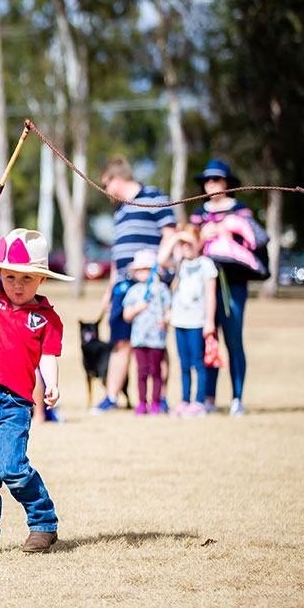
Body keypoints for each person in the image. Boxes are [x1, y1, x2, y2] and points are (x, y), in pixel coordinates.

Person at [0, 203, 71, 554]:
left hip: (15, 403)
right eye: (10, 277)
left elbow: (48, 355)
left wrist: (51, 384)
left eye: (26, 278)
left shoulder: (47, 318)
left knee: (13, 469)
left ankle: (43, 524)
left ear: (42, 279)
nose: (17, 285)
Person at [92, 155, 176, 414]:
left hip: (150, 285)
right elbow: (118, 255)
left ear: (116, 179)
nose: (106, 190)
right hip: (123, 285)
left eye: (106, 184)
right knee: (120, 341)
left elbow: (170, 235)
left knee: (155, 342)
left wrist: (155, 274)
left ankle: (159, 398)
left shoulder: (155, 197)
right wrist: (110, 288)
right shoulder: (121, 211)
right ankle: (111, 396)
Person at [189, 159, 261, 416]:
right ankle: (208, 397)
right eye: (208, 180)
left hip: (233, 286)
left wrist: (225, 233)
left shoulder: (240, 211)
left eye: (217, 180)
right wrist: (201, 238)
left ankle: (237, 397)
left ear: (227, 183)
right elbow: (188, 250)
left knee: (233, 340)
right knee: (208, 339)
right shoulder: (198, 214)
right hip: (204, 289)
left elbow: (252, 242)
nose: (212, 184)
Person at [157, 225, 217, 417]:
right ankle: (185, 400)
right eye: (182, 244)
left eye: (189, 242)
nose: (186, 247)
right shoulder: (179, 264)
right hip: (179, 320)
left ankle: (199, 401)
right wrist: (176, 238)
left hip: (197, 321)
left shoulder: (206, 265)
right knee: (183, 363)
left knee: (198, 362)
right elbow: (160, 260)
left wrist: (209, 321)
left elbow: (211, 295)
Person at [122, 250, 172, 415]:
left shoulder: (162, 289)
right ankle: (142, 402)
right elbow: (127, 315)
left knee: (155, 371)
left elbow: (169, 310)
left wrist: (165, 319)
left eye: (147, 268)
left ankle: (156, 402)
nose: (143, 272)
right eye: (140, 269)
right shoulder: (133, 292)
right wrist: (137, 308)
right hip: (139, 339)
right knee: (141, 372)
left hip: (156, 339)